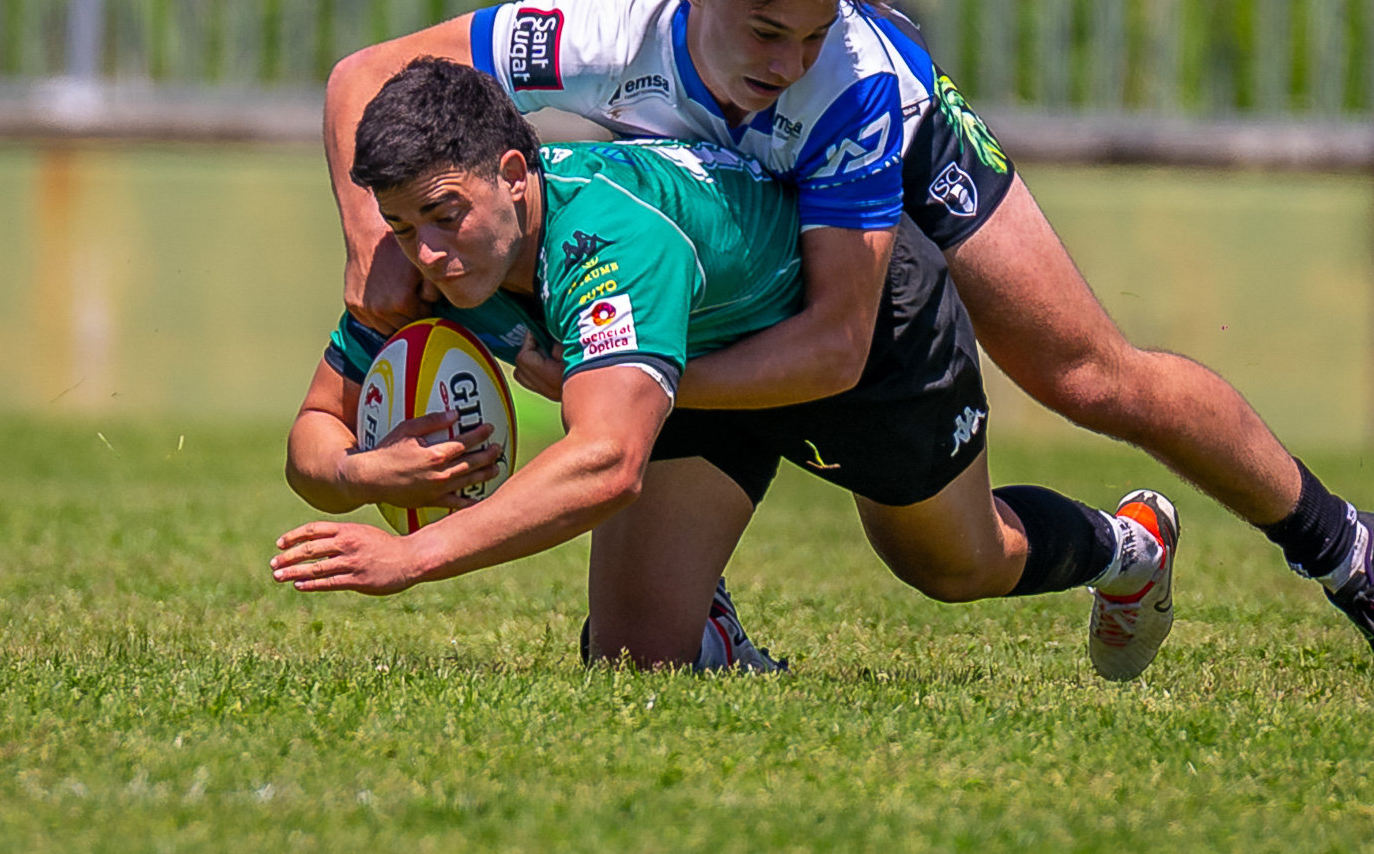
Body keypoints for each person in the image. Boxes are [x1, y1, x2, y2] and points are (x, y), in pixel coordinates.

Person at [320, 0, 1374, 693]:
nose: (790, 60)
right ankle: (703, 616)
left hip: (893, 186)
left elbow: (836, 341)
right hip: (716, 251)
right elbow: (363, 76)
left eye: (814, 30)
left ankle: (1348, 551)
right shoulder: (603, 25)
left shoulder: (854, 87)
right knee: (634, 656)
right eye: (766, 33)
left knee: (1078, 388)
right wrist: (374, 247)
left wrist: (634, 381)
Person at [275, 58, 1179, 679]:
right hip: (686, 364)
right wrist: (364, 473)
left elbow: (606, 462)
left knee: (953, 564)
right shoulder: (426, 269)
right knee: (634, 656)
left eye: (446, 214)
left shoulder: (608, 241)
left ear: (514, 172)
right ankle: (707, 621)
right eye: (403, 227)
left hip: (855, 333)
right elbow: (314, 431)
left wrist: (413, 554)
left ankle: (1127, 548)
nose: (430, 252)